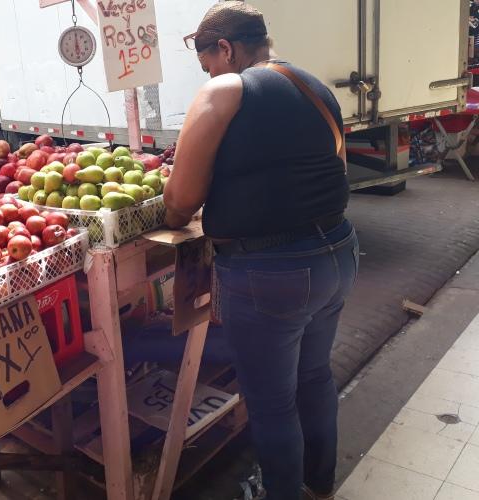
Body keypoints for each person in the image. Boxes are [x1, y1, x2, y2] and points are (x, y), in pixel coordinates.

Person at [164, 2, 358, 499]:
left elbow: (180, 201)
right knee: (314, 376)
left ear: (225, 49)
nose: (208, 74)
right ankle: (319, 484)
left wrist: (175, 213)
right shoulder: (314, 86)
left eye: (207, 63)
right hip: (337, 252)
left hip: (270, 272)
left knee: (272, 403)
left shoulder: (226, 90)